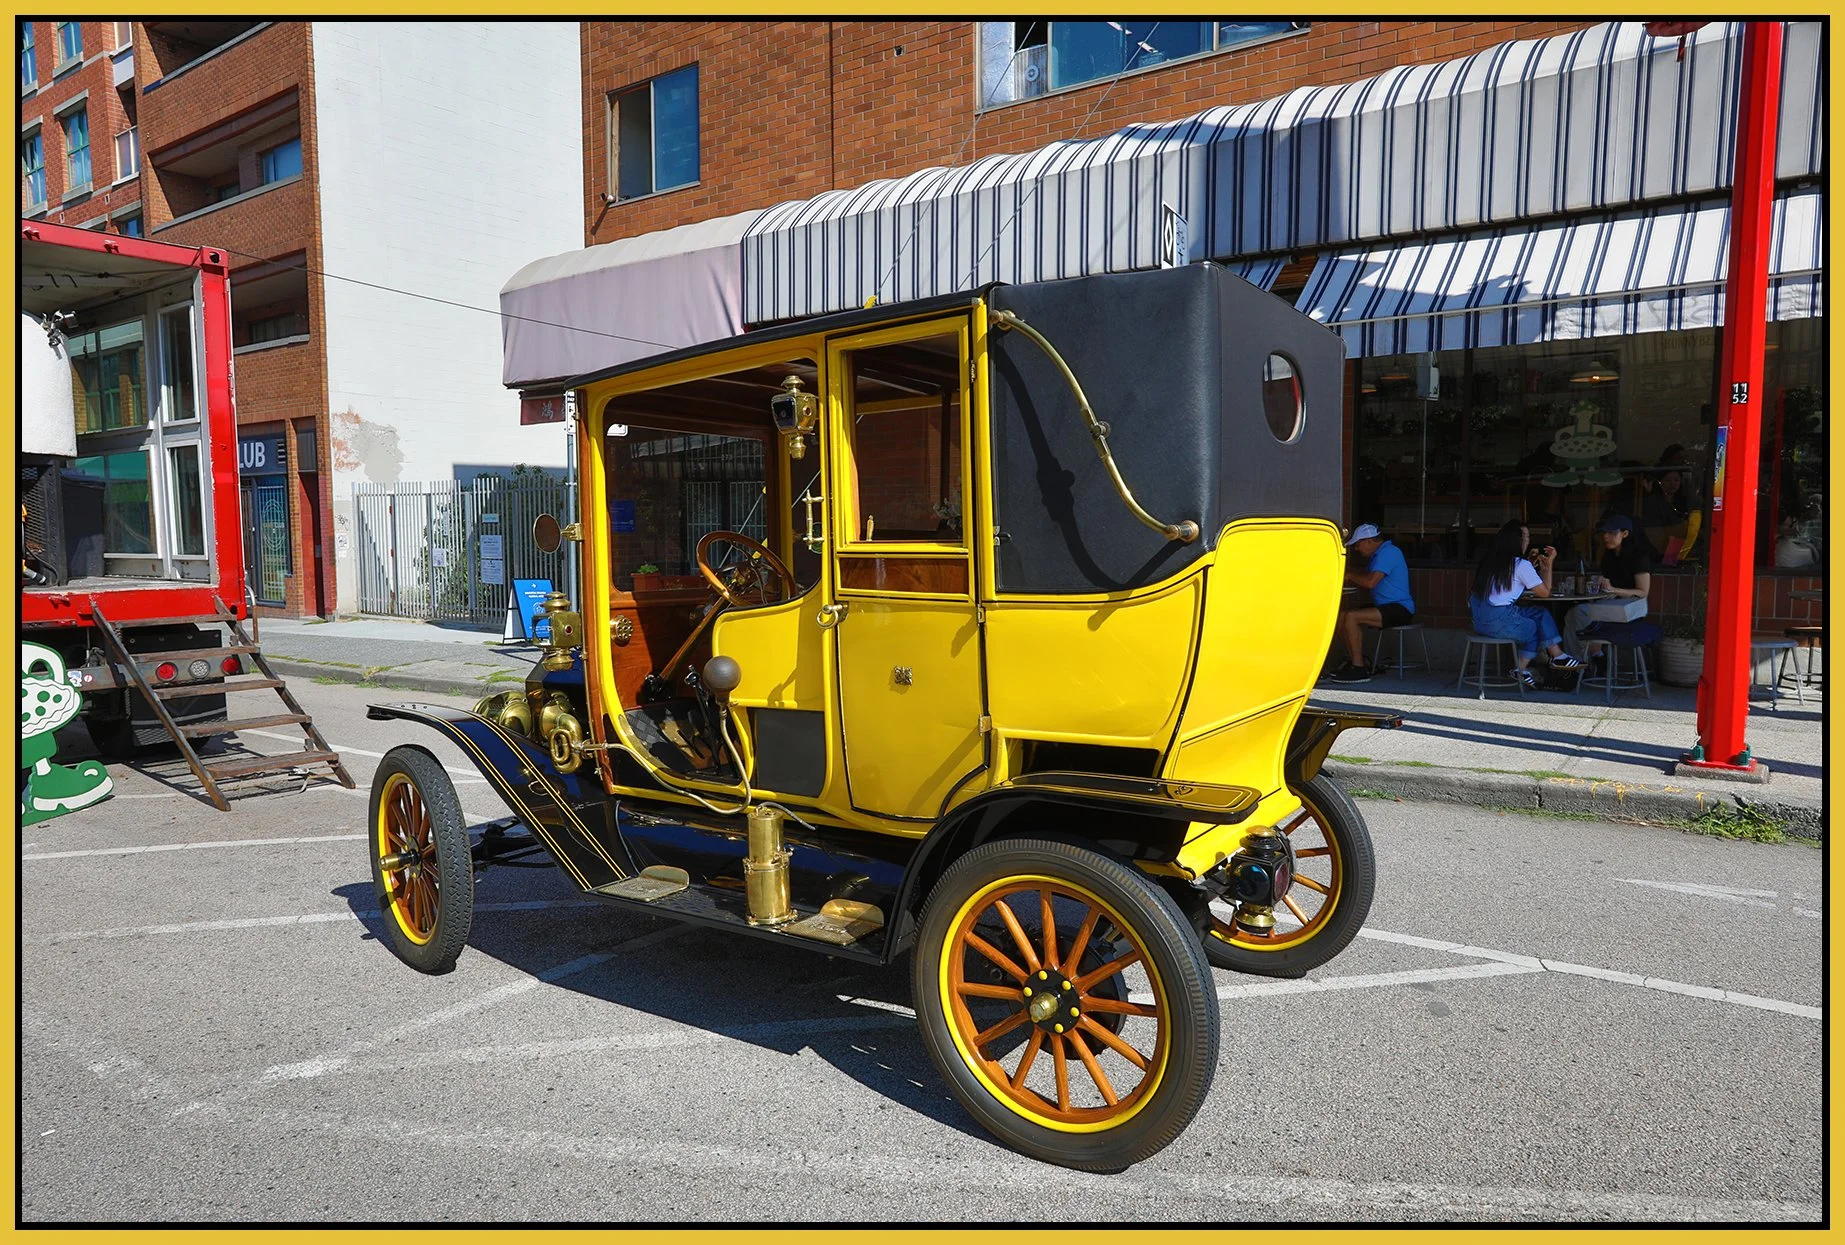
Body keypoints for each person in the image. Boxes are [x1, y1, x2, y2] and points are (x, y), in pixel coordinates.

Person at [1468, 520, 1582, 689]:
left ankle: (1556, 656)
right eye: (1525, 537)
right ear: (1515, 541)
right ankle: (1522, 668)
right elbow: (1544, 593)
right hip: (1498, 621)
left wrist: (1528, 565)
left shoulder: (1490, 560)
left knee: (1539, 613)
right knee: (1533, 627)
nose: (1528, 541)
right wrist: (1548, 566)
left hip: (1478, 620)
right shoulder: (1520, 565)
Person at [1330, 523, 1415, 683]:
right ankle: (1356, 661)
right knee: (1341, 617)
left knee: (1351, 616)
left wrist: (1348, 575)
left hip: (1400, 609)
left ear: (1369, 541)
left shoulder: (1388, 553)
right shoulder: (1379, 555)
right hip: (1384, 606)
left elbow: (1370, 582)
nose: (1356, 548)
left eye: (1358, 544)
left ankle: (1359, 669)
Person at [1565, 515, 1651, 659]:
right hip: (1612, 604)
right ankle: (1585, 659)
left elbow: (1643, 593)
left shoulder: (1639, 557)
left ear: (1625, 534)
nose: (1606, 536)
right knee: (1572, 614)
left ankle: (1589, 658)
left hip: (1634, 608)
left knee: (1580, 613)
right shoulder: (1608, 557)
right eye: (1605, 533)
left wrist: (1613, 590)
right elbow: (1609, 588)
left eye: (1612, 533)